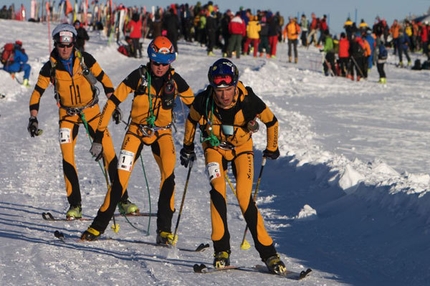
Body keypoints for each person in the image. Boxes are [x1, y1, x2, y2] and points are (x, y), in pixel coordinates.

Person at [81, 36, 195, 243]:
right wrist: (98, 136)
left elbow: (196, 109)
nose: (159, 67)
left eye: (164, 63)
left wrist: (196, 139)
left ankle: (164, 231)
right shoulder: (139, 76)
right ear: (150, 59)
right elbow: (113, 102)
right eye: (155, 62)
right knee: (120, 179)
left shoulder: (176, 81)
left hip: (162, 133)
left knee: (168, 178)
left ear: (170, 62)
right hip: (136, 131)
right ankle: (97, 227)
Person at [179, 58, 286, 275]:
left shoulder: (249, 101)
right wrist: (188, 146)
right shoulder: (204, 100)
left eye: (228, 89)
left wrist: (272, 147)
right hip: (214, 148)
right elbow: (191, 119)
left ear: (235, 84)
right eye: (219, 90)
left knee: (244, 197)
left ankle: (269, 254)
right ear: (212, 87)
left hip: (241, 149)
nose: (224, 95)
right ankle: (221, 250)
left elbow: (272, 121)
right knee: (218, 188)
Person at [27, 23, 138, 220]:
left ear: (74, 44)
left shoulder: (85, 60)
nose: (65, 49)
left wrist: (114, 106)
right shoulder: (50, 67)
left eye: (68, 46)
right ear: (56, 44)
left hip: (92, 111)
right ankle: (75, 205)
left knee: (109, 153)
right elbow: (37, 92)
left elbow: (105, 80)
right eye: (61, 45)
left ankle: (122, 199)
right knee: (67, 156)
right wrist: (33, 117)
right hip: (68, 116)